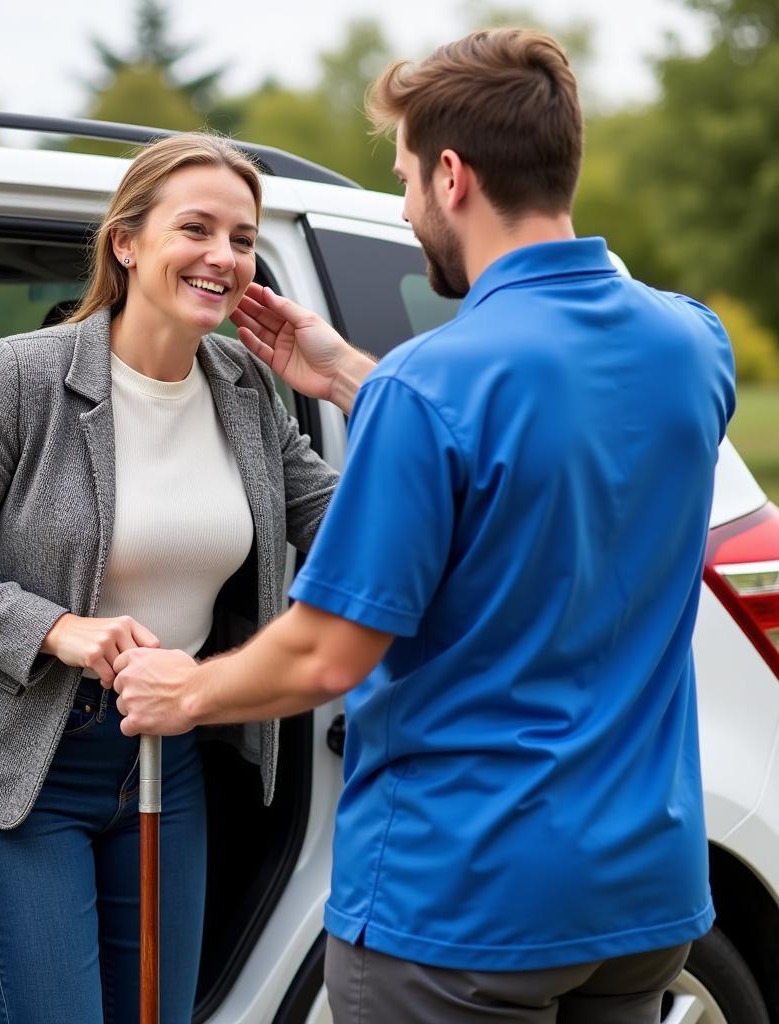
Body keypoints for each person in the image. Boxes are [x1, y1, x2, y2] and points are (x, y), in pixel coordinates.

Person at [112, 28, 737, 1024]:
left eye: (404, 180)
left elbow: (324, 656)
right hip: (644, 901)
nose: (405, 209)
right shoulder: (690, 344)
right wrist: (353, 377)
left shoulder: (430, 386)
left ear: (452, 176)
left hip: (464, 907)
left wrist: (185, 689)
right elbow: (562, 452)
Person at [0, 132, 362, 1024]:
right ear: (127, 242)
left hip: (164, 759)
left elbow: (355, 527)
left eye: (244, 238)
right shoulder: (24, 375)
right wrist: (61, 628)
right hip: (19, 766)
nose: (225, 255)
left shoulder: (242, 386)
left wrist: (349, 387)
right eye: (198, 228)